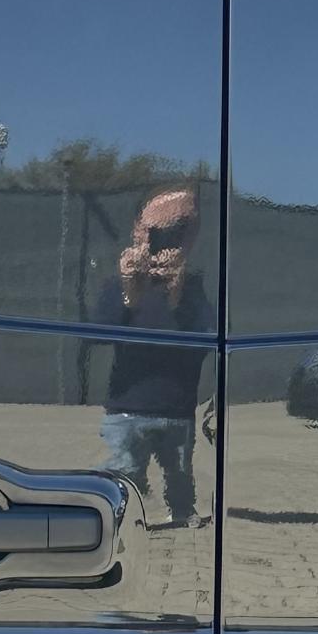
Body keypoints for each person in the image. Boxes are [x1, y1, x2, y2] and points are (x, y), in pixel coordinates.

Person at [97, 186, 211, 526]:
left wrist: (177, 296)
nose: (164, 244)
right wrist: (129, 294)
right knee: (122, 479)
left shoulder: (195, 286)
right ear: (138, 230)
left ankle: (182, 515)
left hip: (177, 408)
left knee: (179, 479)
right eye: (157, 233)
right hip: (126, 408)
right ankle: (118, 521)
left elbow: (208, 341)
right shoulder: (118, 282)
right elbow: (97, 334)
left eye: (178, 231)